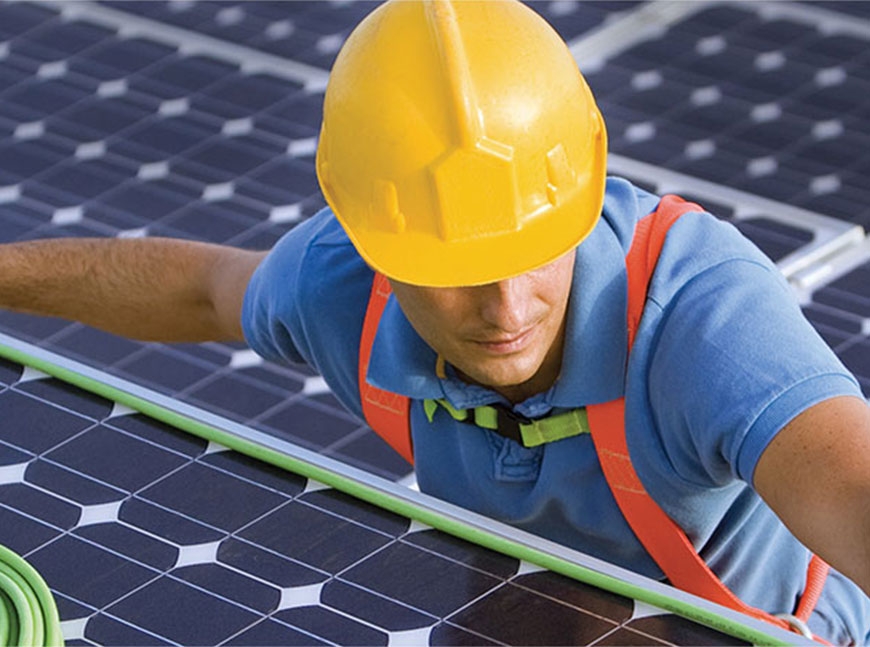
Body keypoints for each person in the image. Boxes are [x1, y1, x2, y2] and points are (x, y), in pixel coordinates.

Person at [1, 0, 869, 643]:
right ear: (376, 245)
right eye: (453, 273)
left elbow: (853, 489)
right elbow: (201, 288)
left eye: (535, 250)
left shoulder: (702, 317)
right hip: (536, 615)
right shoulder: (339, 287)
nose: (504, 309)